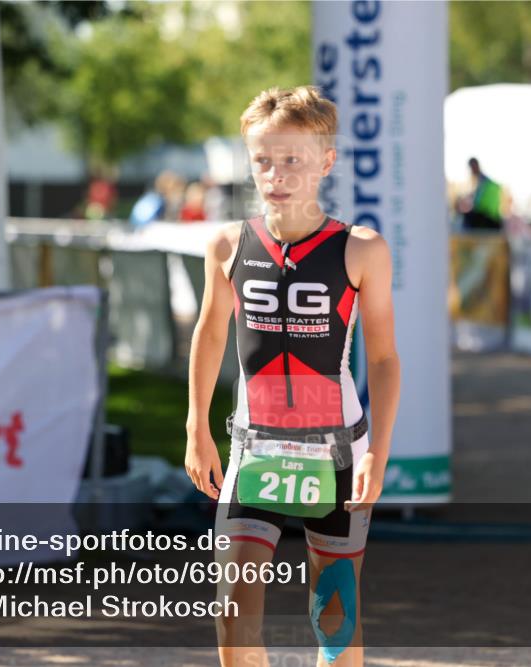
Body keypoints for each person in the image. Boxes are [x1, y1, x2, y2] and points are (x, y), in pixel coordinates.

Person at [184, 85, 400, 667]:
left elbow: (381, 359)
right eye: (263, 160)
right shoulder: (228, 244)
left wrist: (378, 452)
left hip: (336, 453)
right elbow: (209, 334)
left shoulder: (361, 249)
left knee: (334, 617)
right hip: (254, 448)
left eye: (293, 161)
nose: (275, 174)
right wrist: (196, 429)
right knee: (232, 613)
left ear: (326, 163)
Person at [460, 157, 503, 231]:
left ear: (475, 166)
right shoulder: (484, 182)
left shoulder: (483, 182)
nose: (471, 171)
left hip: (488, 219)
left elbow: (478, 204)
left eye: (471, 167)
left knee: (467, 218)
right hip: (493, 219)